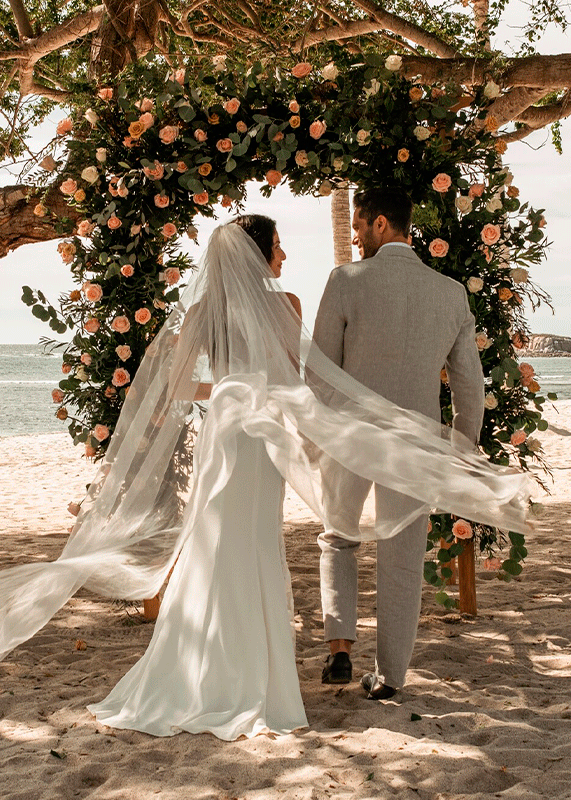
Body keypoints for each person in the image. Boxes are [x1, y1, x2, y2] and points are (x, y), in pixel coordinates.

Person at [0, 212, 532, 740]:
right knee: (240, 542)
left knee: (234, 543)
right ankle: (266, 674)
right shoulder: (286, 306)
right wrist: (262, 397)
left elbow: (193, 386)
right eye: (278, 246)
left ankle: (225, 667)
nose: (284, 255)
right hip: (255, 436)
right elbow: (293, 380)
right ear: (258, 253)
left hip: (236, 432)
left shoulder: (213, 311)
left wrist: (235, 390)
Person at [314, 188, 485, 700]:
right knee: (403, 555)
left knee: (338, 537)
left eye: (359, 226)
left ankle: (340, 650)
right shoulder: (451, 293)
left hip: (351, 435)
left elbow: (321, 371)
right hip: (416, 443)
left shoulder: (345, 281)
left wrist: (316, 430)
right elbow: (469, 384)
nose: (356, 235)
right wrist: (462, 447)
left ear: (381, 224)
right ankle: (390, 677)